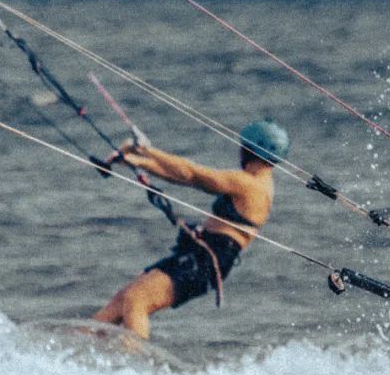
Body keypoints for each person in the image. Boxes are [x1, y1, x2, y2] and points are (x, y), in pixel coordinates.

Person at [92, 119, 290, 339]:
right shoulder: (254, 181)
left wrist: (146, 151)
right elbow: (181, 177)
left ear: (249, 150)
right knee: (121, 300)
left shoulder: (249, 184)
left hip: (208, 259)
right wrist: (135, 160)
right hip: (198, 253)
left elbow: (192, 174)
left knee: (136, 300)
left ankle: (136, 363)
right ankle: (77, 347)